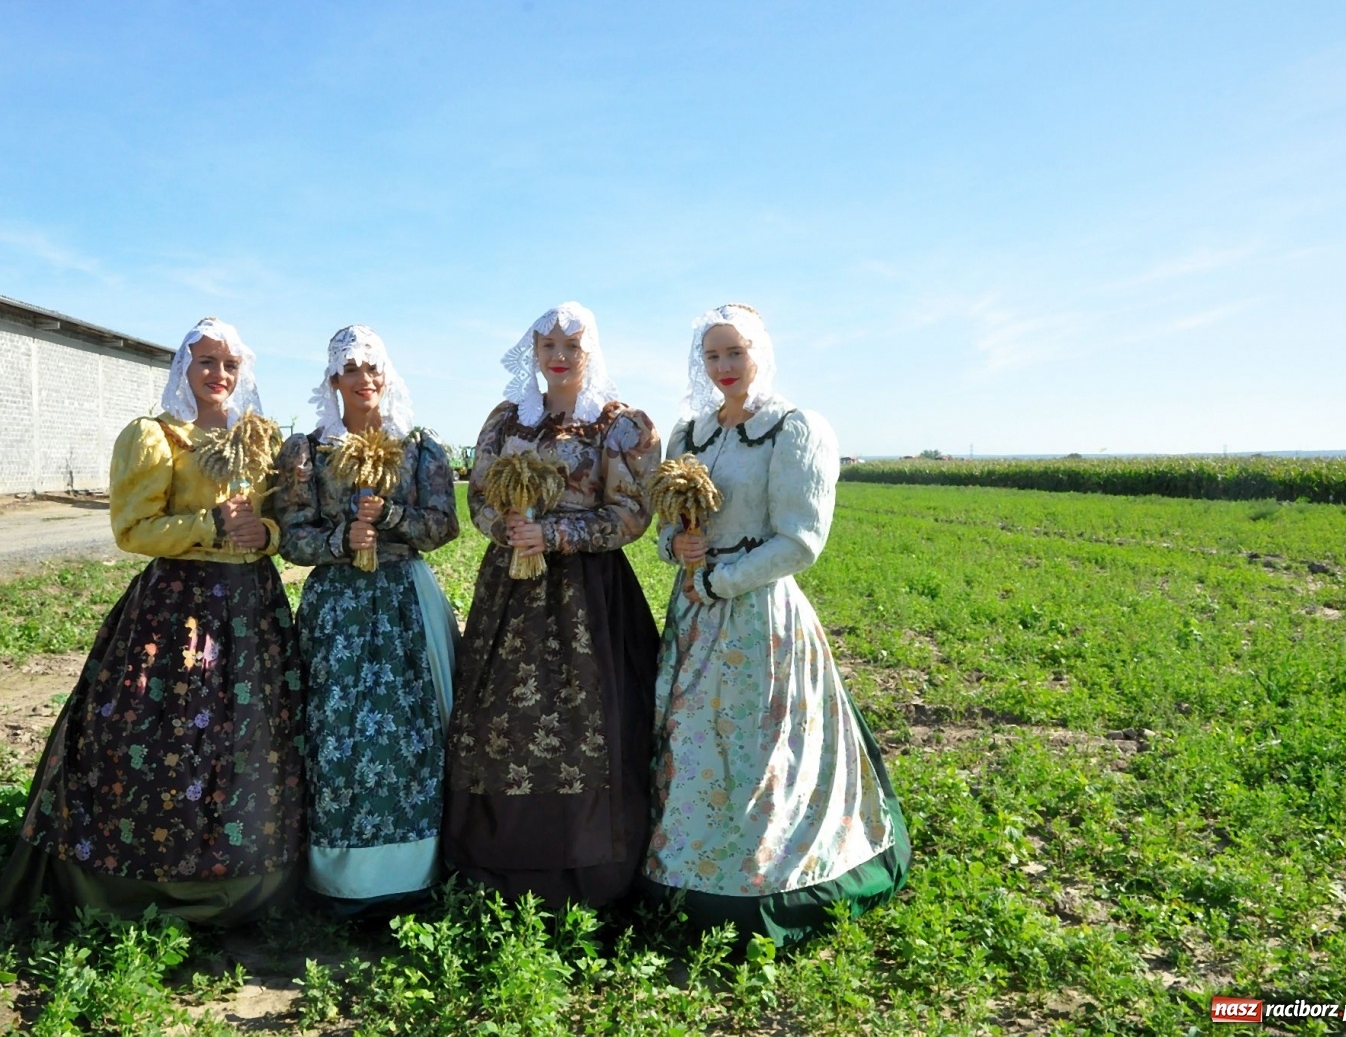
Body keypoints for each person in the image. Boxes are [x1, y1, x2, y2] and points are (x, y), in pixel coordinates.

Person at [0, 317, 307, 925]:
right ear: (183, 368)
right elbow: (132, 529)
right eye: (206, 362)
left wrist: (263, 531)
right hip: (180, 608)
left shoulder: (259, 438)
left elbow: (278, 524)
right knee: (165, 735)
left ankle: (255, 883)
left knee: (251, 738)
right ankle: (136, 886)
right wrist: (210, 525)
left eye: (230, 365)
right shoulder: (155, 435)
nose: (219, 375)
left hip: (253, 607)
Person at [642, 304, 910, 947]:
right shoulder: (689, 434)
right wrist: (677, 548)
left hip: (759, 617)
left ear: (762, 350)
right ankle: (680, 876)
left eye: (736, 352)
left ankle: (763, 886)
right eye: (712, 355)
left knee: (763, 751)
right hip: (693, 618)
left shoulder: (795, 429)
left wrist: (718, 579)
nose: (724, 367)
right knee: (692, 743)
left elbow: (800, 541)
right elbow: (665, 529)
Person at [444, 301, 661, 909]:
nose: (560, 357)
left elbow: (632, 513)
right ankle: (493, 861)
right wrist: (509, 527)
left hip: (588, 597)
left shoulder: (617, 426)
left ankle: (588, 870)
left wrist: (557, 535)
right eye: (549, 347)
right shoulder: (508, 419)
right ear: (534, 354)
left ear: (591, 351)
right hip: (510, 590)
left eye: (572, 346)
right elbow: (481, 496)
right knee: (501, 720)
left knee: (589, 723)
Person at [274, 325, 460, 914]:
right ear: (333, 380)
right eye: (351, 369)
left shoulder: (419, 447)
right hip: (339, 610)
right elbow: (292, 539)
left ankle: (414, 871)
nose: (364, 379)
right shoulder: (307, 451)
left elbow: (443, 526)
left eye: (373, 367)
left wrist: (394, 516)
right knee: (337, 735)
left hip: (406, 597)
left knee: (416, 732)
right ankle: (342, 880)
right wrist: (340, 538)